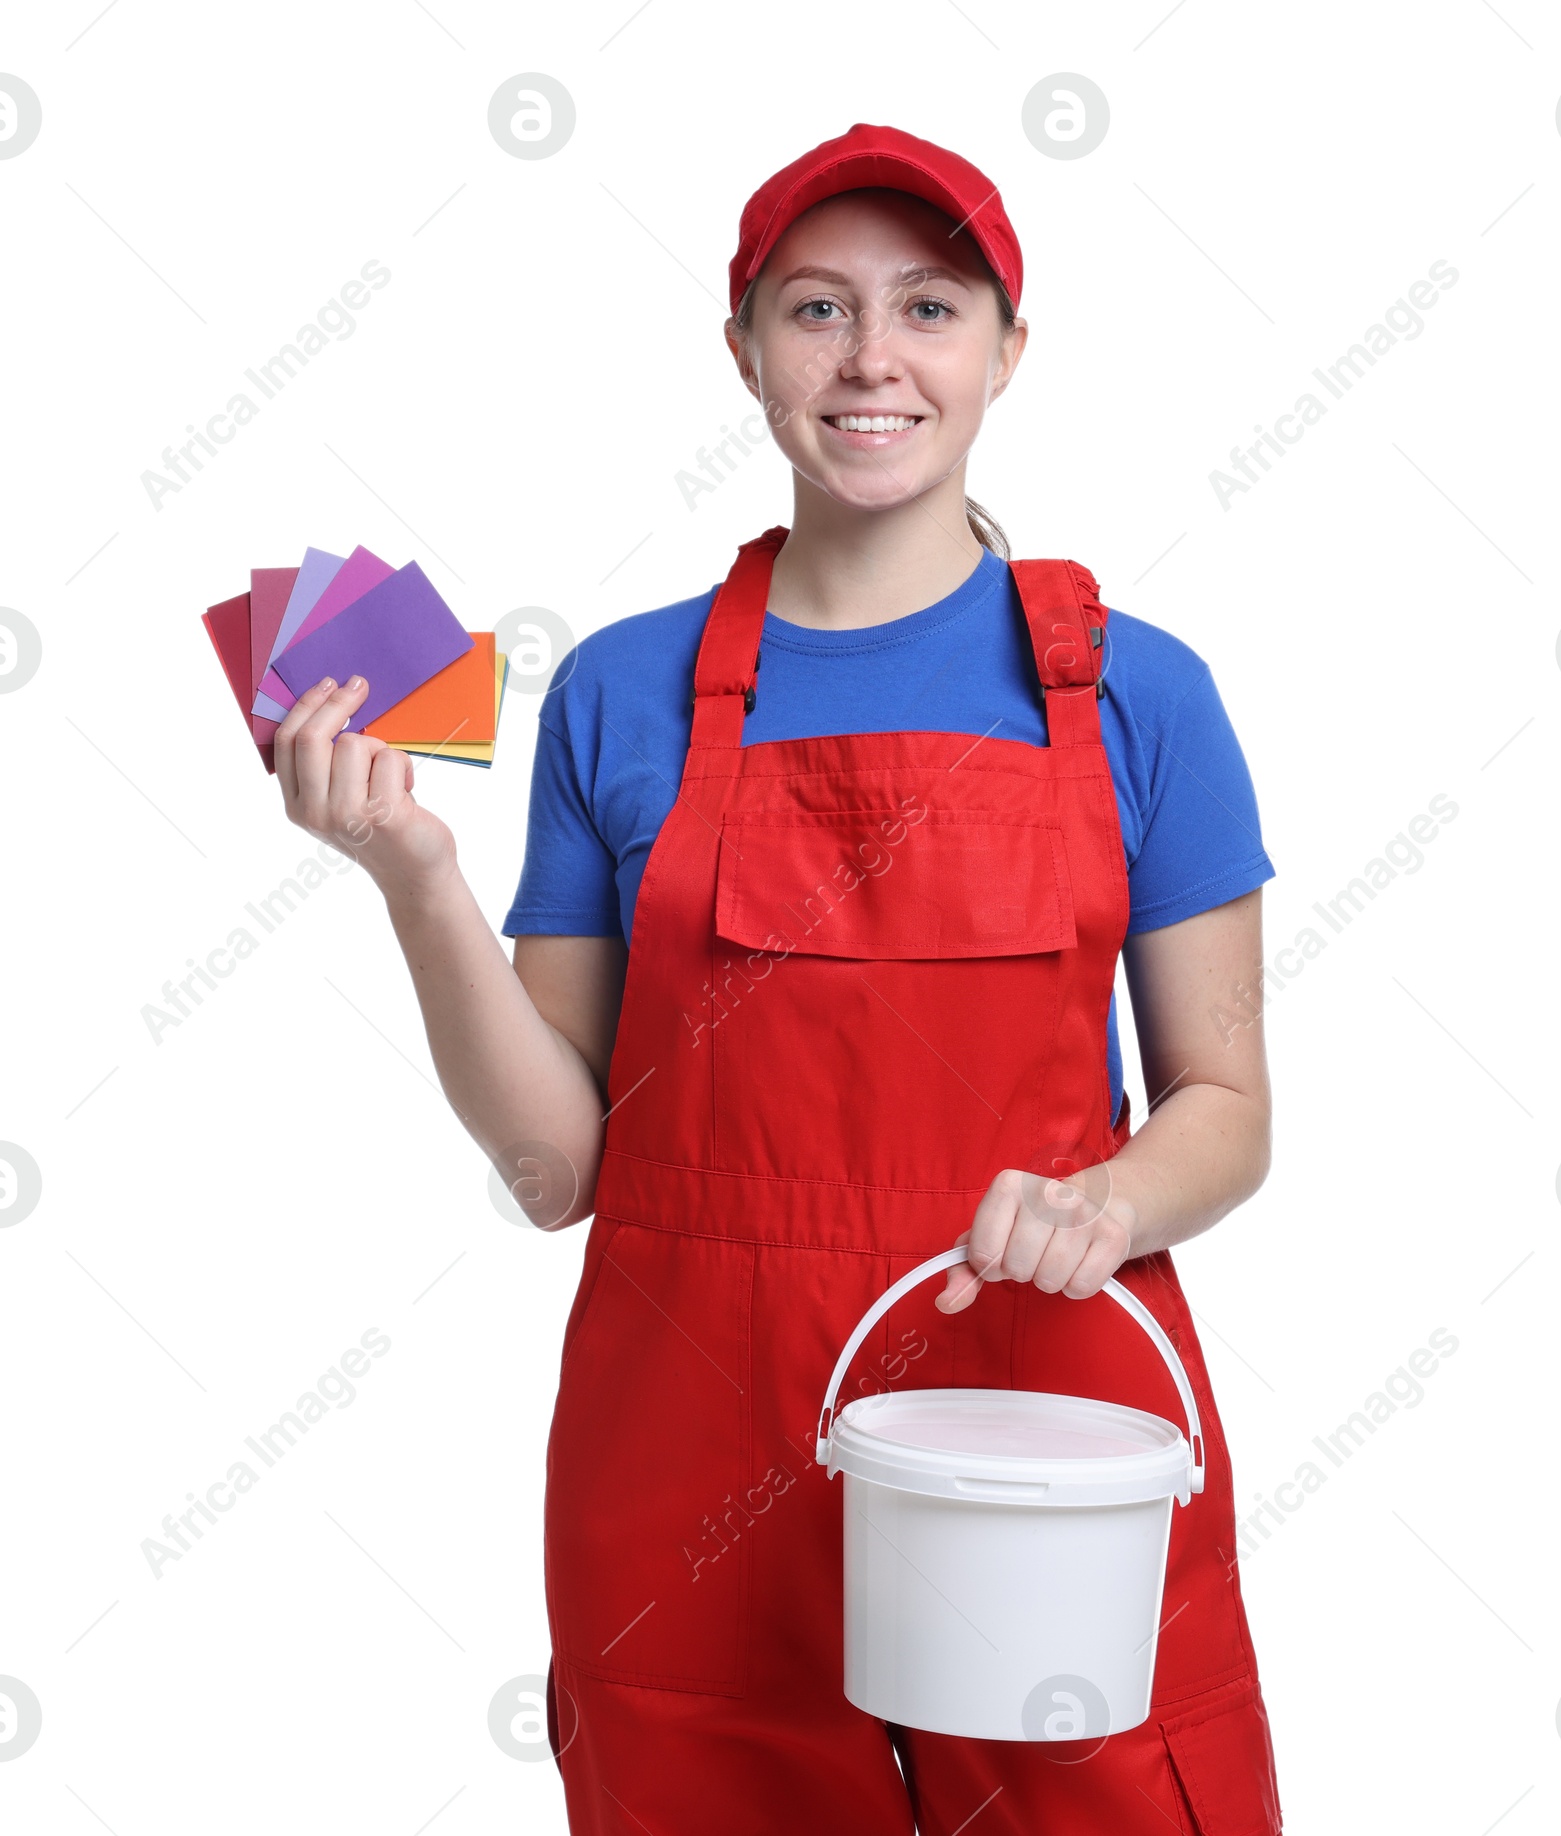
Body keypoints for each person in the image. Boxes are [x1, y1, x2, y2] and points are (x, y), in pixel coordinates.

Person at [275, 122, 1283, 1835]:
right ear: (743, 351)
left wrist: (1107, 1205)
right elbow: (556, 1173)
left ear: (1007, 353)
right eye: (816, 309)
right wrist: (418, 882)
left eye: (932, 307)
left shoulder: (1140, 696)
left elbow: (1228, 1110)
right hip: (689, 1456)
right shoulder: (620, 692)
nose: (874, 358)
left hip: (1035, 1424)